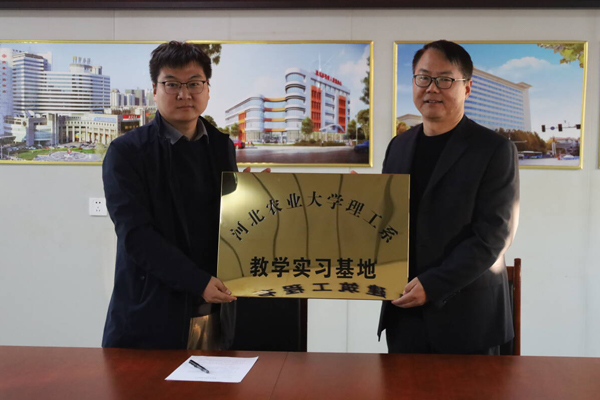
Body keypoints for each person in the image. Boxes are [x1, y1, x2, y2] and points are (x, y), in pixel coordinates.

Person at [379, 40, 520, 355]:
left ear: (467, 88)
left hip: (469, 317)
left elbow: (494, 235)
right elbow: (389, 220)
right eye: (423, 78)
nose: (432, 88)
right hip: (404, 311)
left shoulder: (494, 149)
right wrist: (358, 197)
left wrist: (434, 284)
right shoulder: (398, 146)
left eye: (444, 79)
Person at [101, 41, 237, 349]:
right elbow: (136, 235)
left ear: (207, 88)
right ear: (155, 89)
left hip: (213, 310)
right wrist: (197, 281)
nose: (184, 94)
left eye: (194, 83)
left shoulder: (221, 146)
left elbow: (230, 222)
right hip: (151, 311)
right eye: (172, 84)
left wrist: (259, 197)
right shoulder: (127, 152)